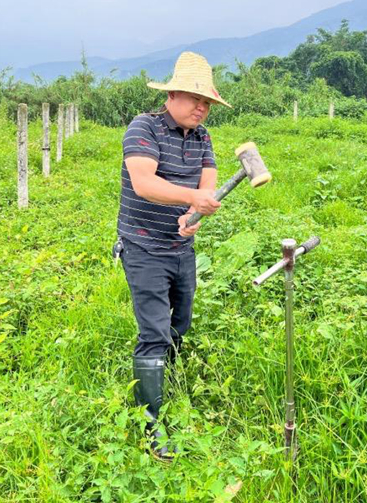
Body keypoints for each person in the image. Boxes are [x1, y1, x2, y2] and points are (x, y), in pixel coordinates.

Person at [116, 51, 230, 461]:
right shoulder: (143, 127)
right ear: (172, 95)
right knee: (155, 333)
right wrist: (191, 197)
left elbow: (208, 187)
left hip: (181, 248)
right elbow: (144, 183)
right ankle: (151, 425)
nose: (203, 108)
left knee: (180, 323)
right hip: (144, 246)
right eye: (196, 99)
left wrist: (195, 215)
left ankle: (167, 384)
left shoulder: (203, 138)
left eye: (208, 103)